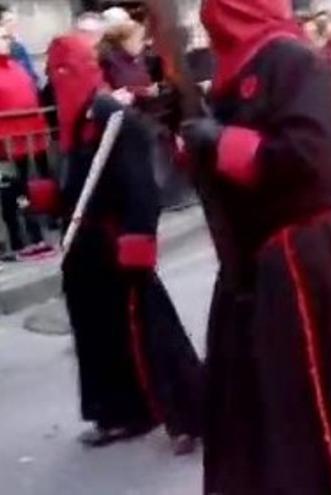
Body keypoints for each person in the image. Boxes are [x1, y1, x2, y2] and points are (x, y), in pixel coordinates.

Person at [179, 0, 331, 493]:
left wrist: (223, 144)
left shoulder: (291, 60)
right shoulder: (231, 71)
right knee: (253, 411)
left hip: (298, 262)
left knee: (314, 410)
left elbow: (320, 166)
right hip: (249, 265)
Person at [45, 33, 202, 454]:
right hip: (85, 247)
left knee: (147, 327)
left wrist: (139, 235)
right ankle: (119, 411)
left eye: (67, 68)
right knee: (97, 333)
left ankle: (189, 412)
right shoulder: (76, 122)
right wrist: (52, 197)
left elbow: (140, 186)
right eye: (54, 71)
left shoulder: (113, 117)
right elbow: (80, 188)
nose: (61, 78)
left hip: (116, 241)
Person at [0, 26, 52, 260]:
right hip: (6, 145)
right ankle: (18, 240)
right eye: (2, 37)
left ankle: (34, 235)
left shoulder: (16, 66)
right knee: (14, 193)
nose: (8, 41)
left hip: (28, 140)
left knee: (28, 191)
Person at [0, 4, 39, 87]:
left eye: (14, 20)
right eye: (9, 21)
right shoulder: (12, 48)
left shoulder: (17, 45)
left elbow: (30, 73)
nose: (14, 24)